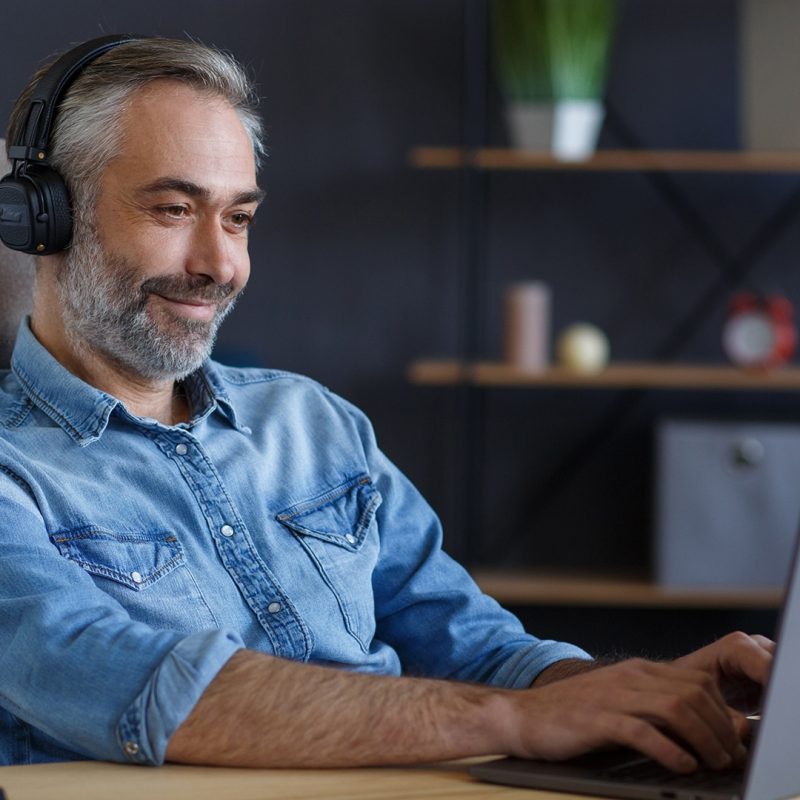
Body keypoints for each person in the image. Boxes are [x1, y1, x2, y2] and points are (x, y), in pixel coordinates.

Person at [0, 36, 773, 771]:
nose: (219, 264)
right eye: (173, 210)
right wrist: (507, 720)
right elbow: (136, 686)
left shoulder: (315, 424)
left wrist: (640, 701)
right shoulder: (13, 475)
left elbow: (476, 649)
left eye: (238, 218)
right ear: (44, 217)